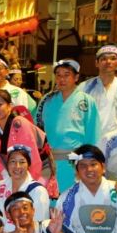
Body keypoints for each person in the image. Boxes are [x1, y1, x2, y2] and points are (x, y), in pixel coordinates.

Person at [35, 60, 101, 192]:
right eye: (58, 75)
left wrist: (89, 163)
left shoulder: (87, 101)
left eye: (66, 74)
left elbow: (93, 135)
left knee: (72, 201)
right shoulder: (47, 100)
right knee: (49, 202)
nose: (61, 79)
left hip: (74, 162)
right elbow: (37, 130)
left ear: (76, 77)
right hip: (48, 162)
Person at [0, 89, 47, 183]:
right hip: (13, 170)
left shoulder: (20, 123)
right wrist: (6, 176)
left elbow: (32, 155)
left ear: (10, 106)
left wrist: (29, 182)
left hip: (38, 166)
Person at [0, 147, 50, 233]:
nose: (17, 166)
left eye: (22, 162)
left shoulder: (38, 191)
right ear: (7, 165)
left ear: (29, 166)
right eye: (13, 161)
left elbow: (38, 227)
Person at [78, 45, 117, 135]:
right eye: (104, 58)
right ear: (96, 63)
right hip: (88, 139)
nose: (108, 61)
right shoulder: (84, 87)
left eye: (113, 58)